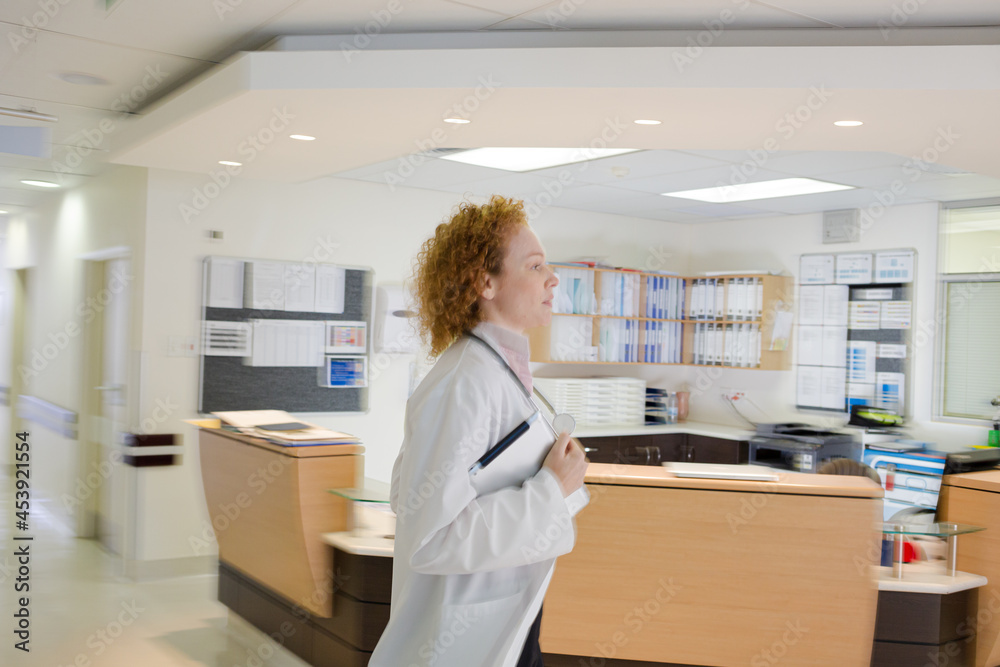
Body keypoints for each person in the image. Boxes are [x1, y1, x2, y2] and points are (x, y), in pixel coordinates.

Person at [369, 195, 589, 667]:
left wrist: (559, 479)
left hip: (511, 615)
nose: (553, 278)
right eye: (534, 266)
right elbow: (433, 536)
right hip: (461, 633)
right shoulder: (463, 383)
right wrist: (552, 488)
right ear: (485, 282)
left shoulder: (501, 373)